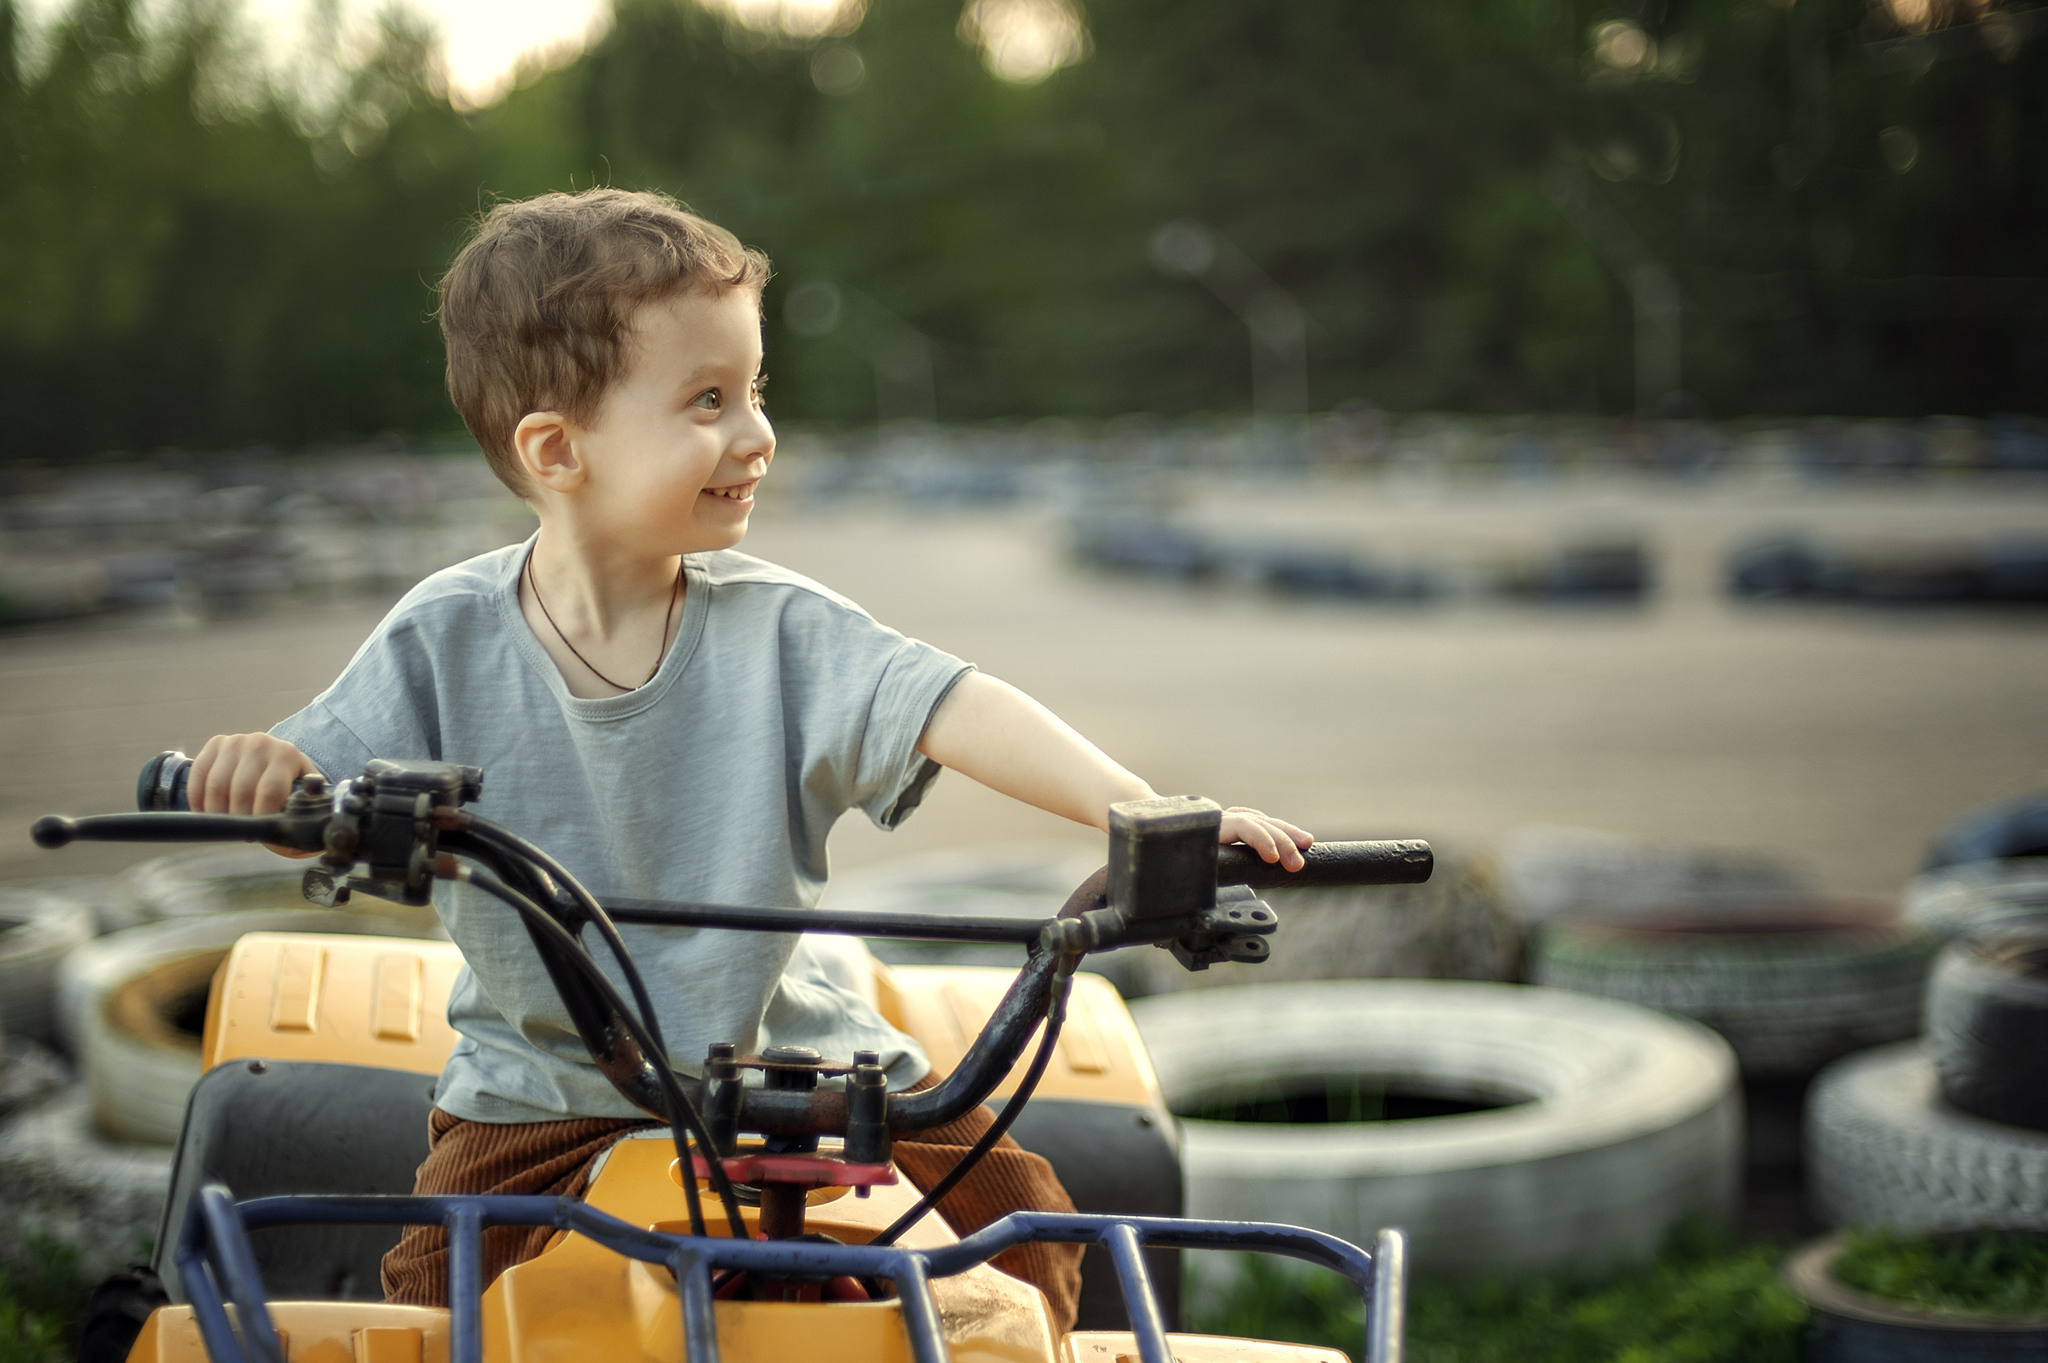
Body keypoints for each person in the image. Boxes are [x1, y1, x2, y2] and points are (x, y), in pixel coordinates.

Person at [188, 187, 1312, 1330]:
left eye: (754, 390)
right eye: (706, 400)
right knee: (441, 1299)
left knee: (1032, 1243)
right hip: (546, 1096)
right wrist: (264, 784)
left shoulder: (783, 627)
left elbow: (955, 704)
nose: (756, 432)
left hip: (816, 1079)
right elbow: (311, 784)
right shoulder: (442, 636)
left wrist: (1148, 814)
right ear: (556, 447)